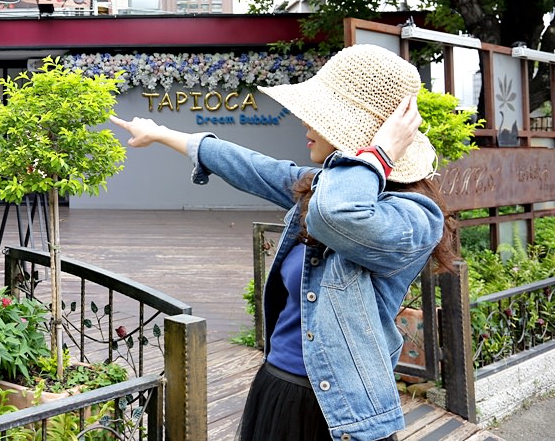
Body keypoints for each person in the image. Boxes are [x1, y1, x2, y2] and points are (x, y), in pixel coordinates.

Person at [110, 44, 458, 441]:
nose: (304, 125)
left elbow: (338, 217)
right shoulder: (325, 186)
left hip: (336, 412)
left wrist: (376, 154)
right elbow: (252, 167)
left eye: (319, 118)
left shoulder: (412, 217)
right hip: (278, 386)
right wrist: (160, 133)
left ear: (360, 135)